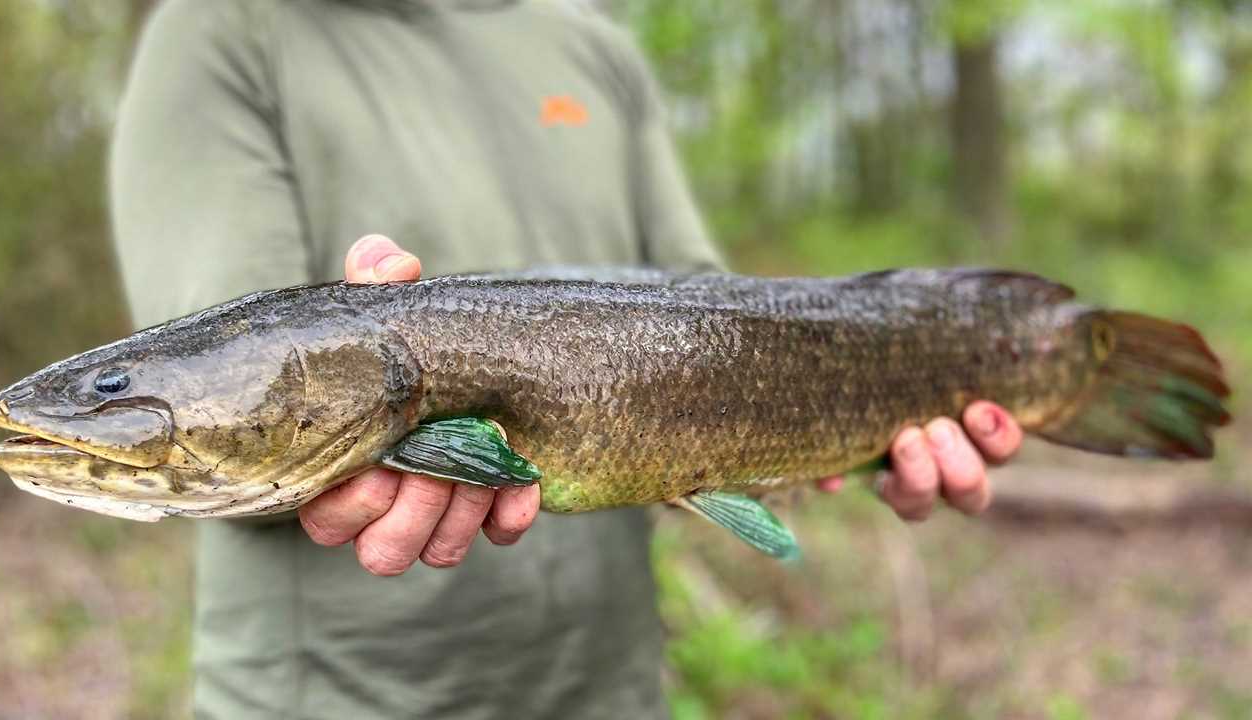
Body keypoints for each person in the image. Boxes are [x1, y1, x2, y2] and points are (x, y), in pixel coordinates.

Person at [109, 1, 1023, 717]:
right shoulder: (219, 33)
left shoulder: (592, 45)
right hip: (343, 699)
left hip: (612, 683)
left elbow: (708, 313)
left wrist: (843, 434)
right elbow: (218, 397)